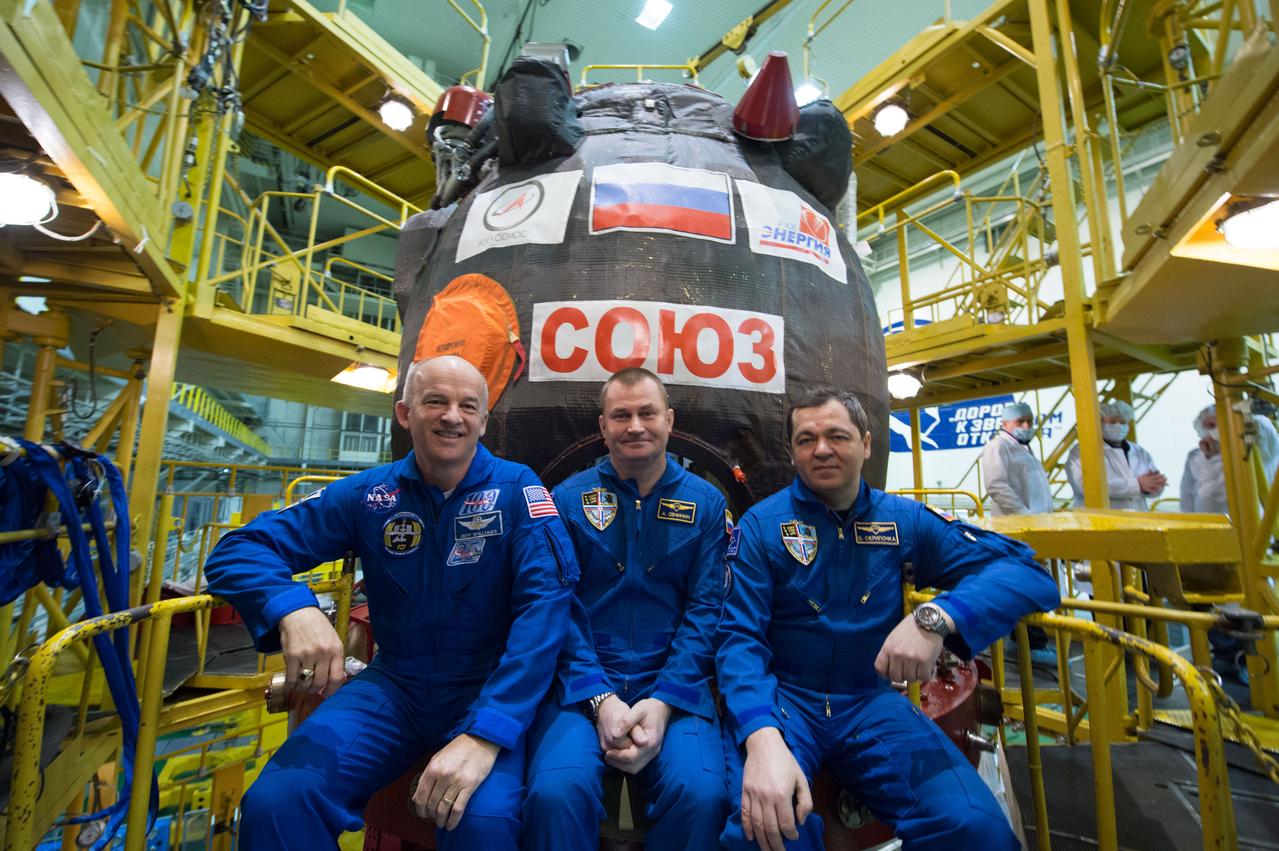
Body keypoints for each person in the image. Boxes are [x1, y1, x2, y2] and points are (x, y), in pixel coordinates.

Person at [204, 356, 578, 851]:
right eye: (436, 402)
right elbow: (238, 549)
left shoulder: (519, 492)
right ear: (405, 414)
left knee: (482, 823)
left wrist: (488, 733)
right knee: (278, 801)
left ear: (484, 422)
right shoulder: (370, 495)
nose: (453, 416)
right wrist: (294, 607)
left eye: (468, 406)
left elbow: (545, 614)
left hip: (487, 688)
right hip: (395, 687)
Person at [717, 389, 1060, 850]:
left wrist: (936, 617)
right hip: (785, 704)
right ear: (793, 452)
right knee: (763, 830)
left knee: (976, 827)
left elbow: (1025, 572)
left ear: (867, 444)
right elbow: (739, 640)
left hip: (868, 704)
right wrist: (762, 738)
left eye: (837, 435)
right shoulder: (762, 527)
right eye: (806, 439)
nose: (821, 449)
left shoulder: (904, 521)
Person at [522, 368, 729, 850]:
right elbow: (560, 610)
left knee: (700, 794)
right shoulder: (568, 501)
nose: (635, 425)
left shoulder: (707, 503)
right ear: (602, 426)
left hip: (676, 688)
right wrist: (600, 699)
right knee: (555, 793)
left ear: (670, 420)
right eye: (621, 415)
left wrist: (663, 702)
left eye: (647, 413)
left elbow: (706, 611)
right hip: (582, 685)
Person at [1066, 400, 1166, 510]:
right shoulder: (1081, 451)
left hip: (1138, 518)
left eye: (1123, 422)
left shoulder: (1139, 451)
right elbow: (1086, 487)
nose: (1118, 426)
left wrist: (1154, 485)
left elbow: (1154, 485)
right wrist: (1137, 485)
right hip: (1100, 520)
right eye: (1112, 422)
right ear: (1099, 423)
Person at [981, 401, 1053, 516]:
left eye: (1030, 421)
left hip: (1037, 522)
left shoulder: (1023, 449)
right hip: (1017, 525)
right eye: (1020, 422)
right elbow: (996, 485)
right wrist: (1023, 514)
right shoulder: (998, 445)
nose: (1026, 426)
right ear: (1005, 423)